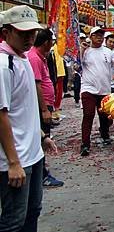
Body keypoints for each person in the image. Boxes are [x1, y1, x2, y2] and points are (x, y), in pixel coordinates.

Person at [0, 5, 58, 231]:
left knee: (33, 211)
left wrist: (42, 135)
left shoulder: (22, 59)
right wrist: (13, 162)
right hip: (15, 160)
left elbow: (25, 108)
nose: (29, 38)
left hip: (33, 153)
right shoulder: (5, 65)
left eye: (32, 33)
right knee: (13, 221)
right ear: (7, 33)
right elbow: (2, 115)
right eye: (23, 33)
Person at [80, 26, 114, 156]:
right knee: (88, 114)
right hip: (88, 88)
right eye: (96, 35)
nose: (99, 37)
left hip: (104, 90)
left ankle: (105, 135)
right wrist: (80, 49)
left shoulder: (109, 52)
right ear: (91, 36)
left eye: (101, 35)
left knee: (104, 115)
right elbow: (76, 63)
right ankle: (85, 144)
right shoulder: (85, 51)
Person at [26, 28, 64, 188]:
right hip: (41, 106)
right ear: (47, 42)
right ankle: (41, 175)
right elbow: (36, 84)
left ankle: (41, 172)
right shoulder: (34, 57)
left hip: (46, 104)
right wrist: (44, 110)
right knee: (41, 139)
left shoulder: (39, 56)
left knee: (43, 137)